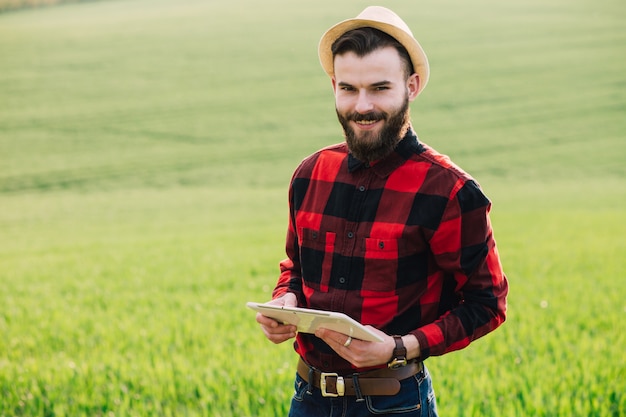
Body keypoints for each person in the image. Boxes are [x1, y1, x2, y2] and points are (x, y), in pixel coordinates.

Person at [255, 6, 508, 416]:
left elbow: (487, 305)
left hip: (395, 403)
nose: (362, 106)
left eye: (379, 88)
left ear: (412, 85)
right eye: (348, 89)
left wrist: (396, 348)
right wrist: (285, 301)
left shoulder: (450, 191)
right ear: (333, 85)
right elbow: (295, 267)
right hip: (306, 398)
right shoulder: (310, 174)